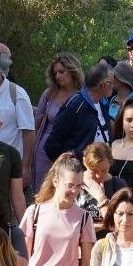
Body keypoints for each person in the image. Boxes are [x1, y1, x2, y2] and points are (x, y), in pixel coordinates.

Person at [43, 60, 115, 163]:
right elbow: (52, 145)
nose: (114, 86)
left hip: (99, 172)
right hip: (78, 174)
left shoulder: (103, 103)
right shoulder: (75, 105)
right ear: (103, 85)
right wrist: (70, 168)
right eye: (111, 83)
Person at [33, 53, 85, 190]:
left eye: (62, 71)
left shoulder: (82, 96)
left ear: (73, 70)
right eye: (55, 73)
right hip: (44, 149)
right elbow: (36, 124)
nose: (58, 76)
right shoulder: (50, 93)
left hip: (69, 151)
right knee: (41, 189)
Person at [78, 142, 127, 228]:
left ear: (109, 163)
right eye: (93, 171)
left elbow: (119, 225)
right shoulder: (75, 182)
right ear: (84, 162)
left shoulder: (119, 185)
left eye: (104, 170)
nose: (98, 176)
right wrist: (101, 226)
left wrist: (102, 199)